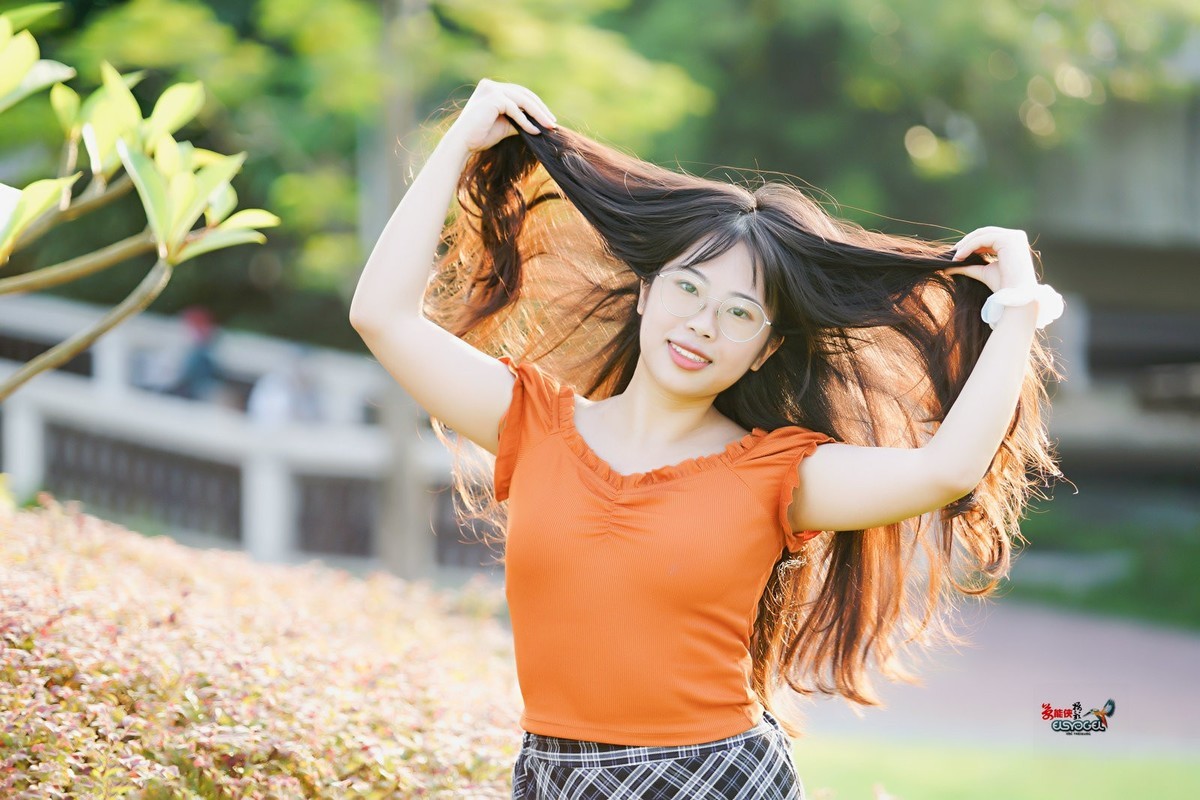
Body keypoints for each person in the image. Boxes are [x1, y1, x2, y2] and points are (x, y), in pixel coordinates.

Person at [349, 80, 1065, 799]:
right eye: (688, 289)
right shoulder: (533, 424)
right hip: (553, 777)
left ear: (762, 350)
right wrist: (461, 142)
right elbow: (383, 316)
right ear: (645, 293)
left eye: (738, 312)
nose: (702, 324)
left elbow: (946, 470)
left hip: (714, 778)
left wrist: (1018, 308)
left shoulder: (774, 472)